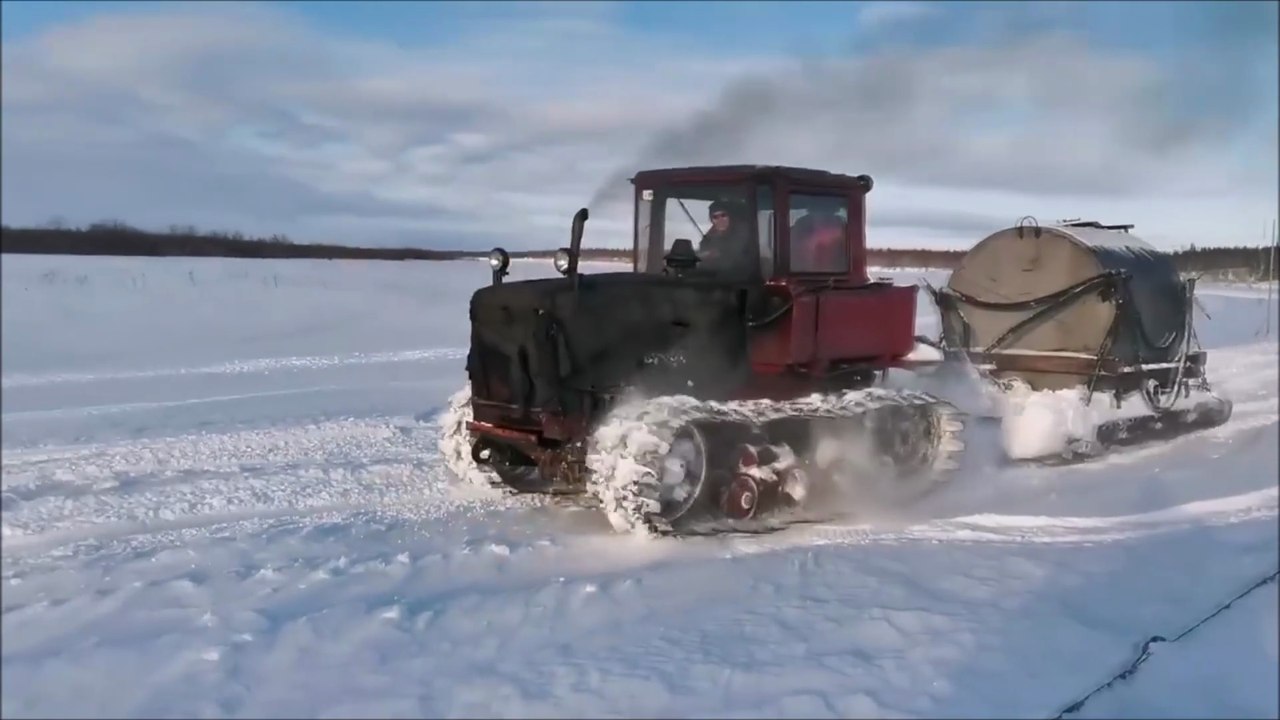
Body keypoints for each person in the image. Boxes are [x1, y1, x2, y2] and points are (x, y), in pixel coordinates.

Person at [698, 200, 751, 270]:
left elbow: (736, 254)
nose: (720, 220)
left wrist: (717, 253)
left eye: (723, 215)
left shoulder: (744, 232)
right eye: (715, 217)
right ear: (712, 220)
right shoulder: (707, 239)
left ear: (730, 216)